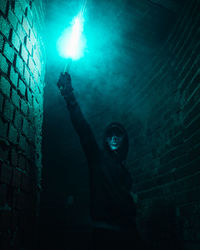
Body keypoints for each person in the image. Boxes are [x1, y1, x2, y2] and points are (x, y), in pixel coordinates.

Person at [57, 72, 141, 250]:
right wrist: (69, 95)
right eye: (110, 134)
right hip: (105, 235)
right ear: (105, 138)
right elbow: (83, 129)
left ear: (124, 138)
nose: (114, 138)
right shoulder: (98, 158)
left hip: (128, 235)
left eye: (118, 134)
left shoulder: (125, 173)